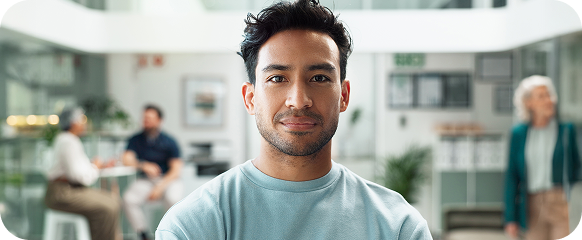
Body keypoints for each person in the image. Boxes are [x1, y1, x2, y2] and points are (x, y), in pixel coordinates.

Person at [156, 1, 432, 239]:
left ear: (344, 96)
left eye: (319, 78)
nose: (299, 100)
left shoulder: (398, 227)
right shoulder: (192, 226)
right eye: (277, 78)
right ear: (250, 99)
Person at [504, 75, 581, 240]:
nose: (549, 100)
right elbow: (512, 177)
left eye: (550, 95)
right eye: (541, 96)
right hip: (531, 204)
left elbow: (577, 168)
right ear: (528, 103)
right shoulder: (518, 134)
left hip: (560, 202)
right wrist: (510, 217)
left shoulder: (566, 130)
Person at [44, 108, 120, 240]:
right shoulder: (68, 142)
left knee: (113, 200)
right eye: (82, 120)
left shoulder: (68, 140)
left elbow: (77, 169)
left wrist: (95, 166)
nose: (85, 124)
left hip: (68, 190)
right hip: (63, 194)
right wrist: (95, 167)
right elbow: (81, 177)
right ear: (73, 123)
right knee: (107, 207)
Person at [122, 104, 183, 240]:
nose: (145, 121)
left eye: (149, 118)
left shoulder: (170, 141)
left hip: (168, 180)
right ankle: (143, 234)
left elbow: (176, 170)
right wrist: (143, 165)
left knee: (173, 200)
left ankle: (173, 234)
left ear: (159, 120)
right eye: (144, 118)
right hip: (146, 180)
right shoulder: (136, 140)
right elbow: (126, 159)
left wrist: (159, 187)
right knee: (128, 199)